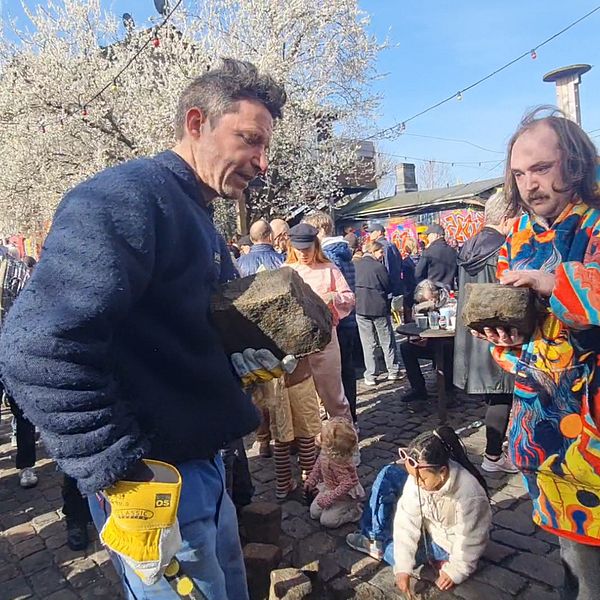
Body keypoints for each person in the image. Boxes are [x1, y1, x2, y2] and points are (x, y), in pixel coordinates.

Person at [0, 58, 288, 599]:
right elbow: (33, 348)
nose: (262, 162)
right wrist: (117, 467)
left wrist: (235, 358)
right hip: (156, 485)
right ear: (197, 122)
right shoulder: (126, 198)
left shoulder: (194, 209)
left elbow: (170, 333)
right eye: (250, 140)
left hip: (205, 473)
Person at [474, 108, 600, 599]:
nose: (530, 184)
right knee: (571, 559)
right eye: (520, 173)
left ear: (573, 162)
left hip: (593, 436)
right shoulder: (519, 238)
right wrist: (505, 345)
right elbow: (517, 345)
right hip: (543, 436)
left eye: (541, 168)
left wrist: (554, 282)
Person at [346, 427, 491, 594]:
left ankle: (381, 547)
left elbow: (471, 540)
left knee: (394, 553)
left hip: (446, 544)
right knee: (389, 473)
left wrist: (456, 570)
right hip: (430, 527)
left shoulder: (470, 495)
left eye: (422, 478)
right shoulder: (419, 478)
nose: (416, 482)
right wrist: (402, 568)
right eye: (413, 476)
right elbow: (406, 522)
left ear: (442, 472)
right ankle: (373, 536)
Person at [454, 192, 518, 474]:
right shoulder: (504, 247)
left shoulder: (468, 245)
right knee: (502, 393)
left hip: (474, 332)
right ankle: (493, 456)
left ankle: (495, 451)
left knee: (495, 396)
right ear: (506, 218)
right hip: (499, 331)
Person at [303, 211, 359, 424]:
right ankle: (349, 418)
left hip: (335, 321)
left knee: (335, 377)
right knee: (346, 371)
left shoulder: (328, 257)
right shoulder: (344, 250)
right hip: (347, 319)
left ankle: (343, 424)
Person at [235, 219, 285, 458]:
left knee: (258, 390)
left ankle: (264, 439)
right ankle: (285, 437)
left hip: (249, 335)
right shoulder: (283, 261)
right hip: (282, 335)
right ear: (271, 236)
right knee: (285, 386)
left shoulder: (239, 265)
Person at [0, 252, 37, 488]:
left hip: (13, 351)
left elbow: (32, 310)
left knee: (23, 411)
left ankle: (27, 466)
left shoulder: (15, 269)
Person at [354, 241, 400, 386]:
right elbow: (387, 285)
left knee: (368, 343)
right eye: (380, 252)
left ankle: (371, 374)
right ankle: (392, 371)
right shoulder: (379, 267)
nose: (382, 256)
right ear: (374, 251)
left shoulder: (356, 265)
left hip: (361, 308)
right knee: (386, 340)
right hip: (378, 308)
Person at [399, 280, 454, 402]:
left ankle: (448, 390)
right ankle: (418, 388)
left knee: (447, 348)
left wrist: (433, 306)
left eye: (430, 299)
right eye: (423, 301)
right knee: (406, 348)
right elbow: (415, 325)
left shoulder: (447, 302)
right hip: (428, 341)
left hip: (447, 340)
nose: (427, 303)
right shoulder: (418, 306)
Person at [305, 417, 364, 528]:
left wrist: (329, 498)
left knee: (327, 521)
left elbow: (346, 484)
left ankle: (353, 511)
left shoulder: (340, 463)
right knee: (314, 513)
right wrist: (311, 479)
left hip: (343, 496)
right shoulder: (325, 452)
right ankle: (333, 506)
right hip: (328, 488)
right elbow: (319, 464)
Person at [415, 223, 457, 289]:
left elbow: (418, 274)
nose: (428, 238)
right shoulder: (453, 251)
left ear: (436, 235)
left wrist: (424, 287)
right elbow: (457, 273)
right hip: (448, 291)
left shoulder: (428, 252)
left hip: (432, 292)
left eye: (428, 235)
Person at [367, 223, 404, 297]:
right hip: (397, 285)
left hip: (388, 287)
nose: (369, 234)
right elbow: (400, 262)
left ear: (379, 232)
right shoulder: (392, 245)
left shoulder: (381, 246)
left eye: (371, 232)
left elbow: (386, 266)